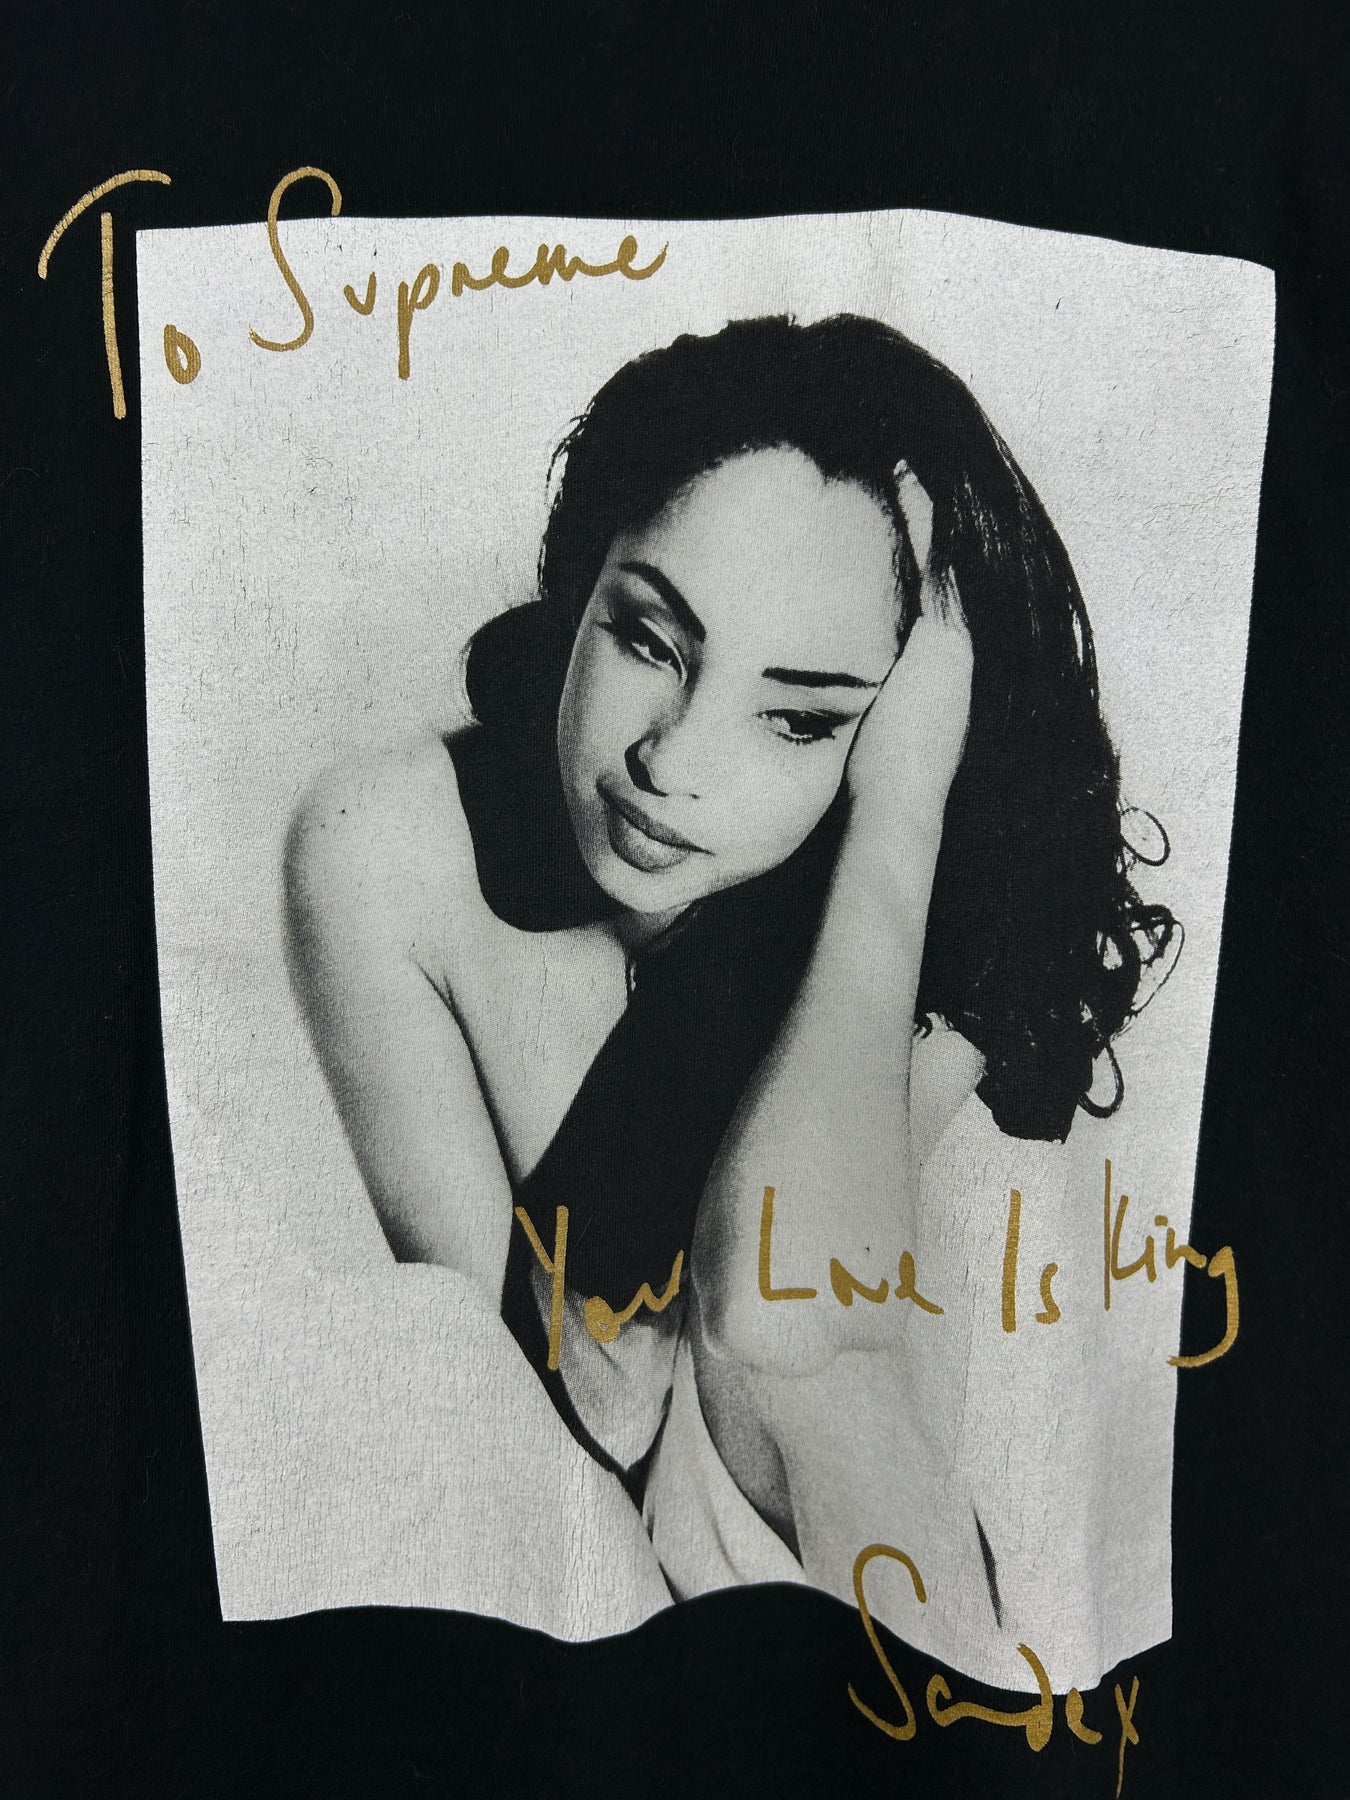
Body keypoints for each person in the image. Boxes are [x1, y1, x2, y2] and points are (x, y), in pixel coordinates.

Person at [283, 312, 1176, 1659]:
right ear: (586, 575)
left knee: (804, 1381)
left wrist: (897, 822)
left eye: (800, 715)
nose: (673, 761)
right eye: (649, 639)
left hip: (882, 1599)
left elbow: (774, 1327)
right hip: (575, 1599)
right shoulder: (388, 846)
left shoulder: (924, 920)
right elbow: (503, 1420)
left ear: (899, 735)